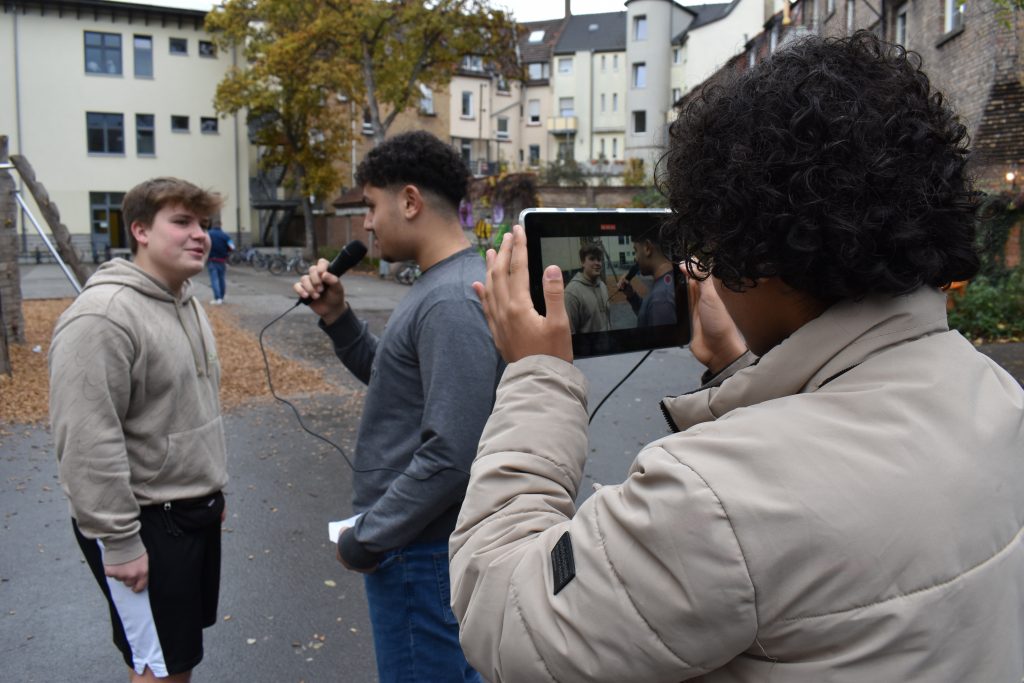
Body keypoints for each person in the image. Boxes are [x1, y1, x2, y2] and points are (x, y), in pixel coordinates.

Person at [450, 32, 1024, 682]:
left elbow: (505, 614)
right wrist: (737, 366)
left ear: (762, 252)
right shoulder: (994, 394)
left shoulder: (711, 499)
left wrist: (538, 376)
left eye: (715, 245)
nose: (707, 271)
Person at [294, 130, 502, 683]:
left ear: (409, 201)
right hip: (418, 545)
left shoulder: (451, 299)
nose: (365, 223)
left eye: (370, 206)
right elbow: (399, 382)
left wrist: (368, 537)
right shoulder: (446, 283)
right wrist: (338, 317)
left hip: (420, 551)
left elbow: (452, 452)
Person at [49, 177, 229, 682]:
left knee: (178, 659)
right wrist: (120, 541)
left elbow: (189, 410)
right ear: (141, 231)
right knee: (158, 669)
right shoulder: (102, 317)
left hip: (191, 511)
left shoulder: (187, 301)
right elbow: (86, 442)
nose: (200, 235)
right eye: (182, 222)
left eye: (204, 224)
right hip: (143, 524)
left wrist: (212, 489)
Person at [617, 235, 677, 327]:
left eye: (635, 250)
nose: (635, 258)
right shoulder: (665, 282)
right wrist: (631, 295)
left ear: (647, 248)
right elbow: (647, 315)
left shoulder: (660, 300)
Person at [563, 242, 610, 333]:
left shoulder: (603, 286)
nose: (597, 263)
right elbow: (570, 333)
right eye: (592, 259)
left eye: (599, 259)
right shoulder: (572, 293)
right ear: (582, 262)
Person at [206, 222, 234, 304]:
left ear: (213, 226)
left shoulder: (208, 234)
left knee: (214, 279)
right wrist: (226, 251)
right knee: (222, 279)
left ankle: (217, 298)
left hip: (212, 259)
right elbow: (232, 247)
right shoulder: (225, 235)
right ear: (220, 226)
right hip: (222, 260)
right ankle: (222, 297)